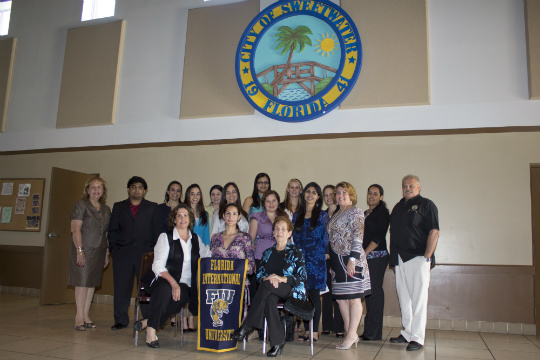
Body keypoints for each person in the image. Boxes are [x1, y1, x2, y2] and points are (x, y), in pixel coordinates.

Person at [231, 216, 307, 357]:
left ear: (290, 233)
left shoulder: (297, 251)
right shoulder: (267, 253)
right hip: (270, 290)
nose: (280, 231)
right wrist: (269, 279)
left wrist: (281, 279)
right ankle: (277, 342)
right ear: (273, 233)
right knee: (270, 299)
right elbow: (259, 276)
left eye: (284, 229)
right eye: (277, 229)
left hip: (290, 290)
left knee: (268, 285)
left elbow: (301, 278)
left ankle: (247, 325)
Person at [134, 204, 200, 348]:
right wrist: (173, 283)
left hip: (183, 283)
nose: (183, 218)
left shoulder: (196, 239)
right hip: (160, 279)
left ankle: (147, 322)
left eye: (186, 215)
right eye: (179, 215)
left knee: (185, 295)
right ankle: (151, 331)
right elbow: (158, 266)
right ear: (174, 220)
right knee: (166, 289)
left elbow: (208, 256)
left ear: (190, 219)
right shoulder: (165, 237)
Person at [389, 175, 439, 351]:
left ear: (419, 187)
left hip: (418, 258)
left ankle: (417, 338)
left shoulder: (427, 205)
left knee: (418, 300)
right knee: (404, 299)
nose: (407, 188)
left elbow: (434, 231)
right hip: (399, 259)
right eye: (404, 186)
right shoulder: (397, 207)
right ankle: (408, 332)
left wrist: (427, 256)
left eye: (411, 185)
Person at [108, 176, 160, 330]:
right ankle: (120, 320)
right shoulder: (118, 207)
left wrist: (154, 254)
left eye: (140, 187)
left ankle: (147, 320)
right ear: (128, 189)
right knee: (121, 288)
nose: (136, 190)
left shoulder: (152, 207)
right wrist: (113, 249)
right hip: (122, 254)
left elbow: (158, 233)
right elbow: (112, 230)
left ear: (145, 191)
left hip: (145, 256)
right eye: (133, 187)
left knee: (145, 289)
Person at [327, 181, 370, 350]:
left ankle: (352, 334)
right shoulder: (337, 213)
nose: (340, 195)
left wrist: (352, 259)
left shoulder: (356, 212)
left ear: (351, 195)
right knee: (340, 299)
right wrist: (332, 262)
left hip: (351, 259)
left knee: (354, 298)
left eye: (344, 192)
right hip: (337, 261)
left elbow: (358, 235)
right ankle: (350, 333)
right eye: (338, 193)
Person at [68, 177, 111, 331]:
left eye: (99, 186)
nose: (96, 189)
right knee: (82, 282)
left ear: (103, 191)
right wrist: (80, 250)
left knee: (92, 282)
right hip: (83, 249)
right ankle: (78, 316)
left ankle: (86, 315)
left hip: (99, 250)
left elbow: (105, 232)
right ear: (87, 190)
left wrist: (107, 252)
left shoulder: (106, 209)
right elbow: (75, 229)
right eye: (92, 186)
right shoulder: (80, 205)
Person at [292, 182, 329, 343]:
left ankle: (314, 331)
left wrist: (322, 255)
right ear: (304, 194)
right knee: (303, 297)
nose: (310, 194)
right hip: (300, 259)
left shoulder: (322, 215)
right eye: (308, 191)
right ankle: (307, 330)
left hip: (316, 260)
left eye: (314, 192)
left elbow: (324, 238)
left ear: (318, 197)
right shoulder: (296, 215)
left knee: (314, 296)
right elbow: (293, 237)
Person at [210, 203, 255, 314]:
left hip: (238, 284)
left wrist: (247, 267)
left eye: (234, 214)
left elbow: (252, 264)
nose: (231, 217)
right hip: (218, 284)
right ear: (223, 216)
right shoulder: (215, 238)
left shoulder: (245, 237)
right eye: (228, 213)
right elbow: (210, 262)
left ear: (239, 217)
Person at [360, 184, 390, 341]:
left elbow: (379, 237)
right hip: (367, 258)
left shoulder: (382, 212)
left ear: (381, 197)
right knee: (369, 294)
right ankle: (369, 331)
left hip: (376, 257)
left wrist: (364, 253)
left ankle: (374, 333)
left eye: (375, 194)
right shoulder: (366, 213)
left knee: (375, 293)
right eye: (369, 193)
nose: (371, 196)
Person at [320, 185, 344, 338]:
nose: (328, 197)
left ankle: (340, 327)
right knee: (326, 293)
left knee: (338, 292)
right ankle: (327, 325)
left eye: (331, 194)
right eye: (325, 195)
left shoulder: (341, 212)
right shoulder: (321, 214)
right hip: (323, 258)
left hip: (337, 257)